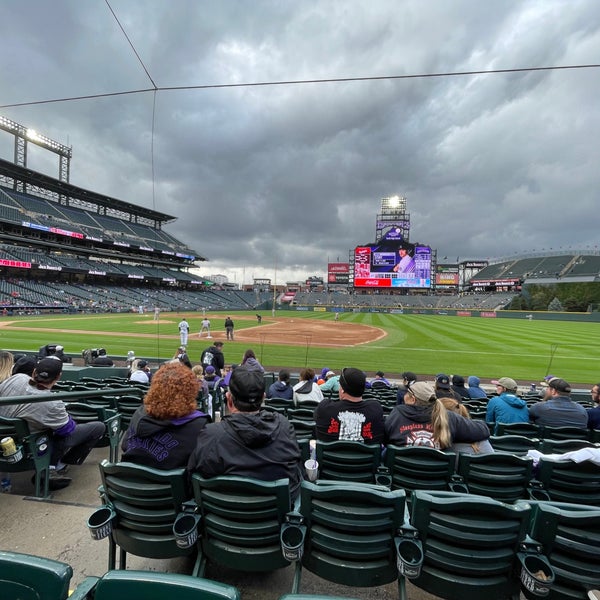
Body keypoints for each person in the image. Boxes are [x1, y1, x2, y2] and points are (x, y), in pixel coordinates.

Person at [187, 366, 302, 500]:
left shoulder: (211, 435)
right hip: (273, 518)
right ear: (263, 399)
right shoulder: (284, 427)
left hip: (221, 516)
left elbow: (193, 481)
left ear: (229, 400)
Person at [0, 358, 105, 490]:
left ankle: (53, 466)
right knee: (98, 427)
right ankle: (56, 466)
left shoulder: (16, 378)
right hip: (31, 444)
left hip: (6, 437)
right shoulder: (52, 403)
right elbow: (67, 431)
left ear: (34, 372)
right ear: (58, 377)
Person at [122, 362, 209, 470]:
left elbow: (125, 446)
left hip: (126, 482)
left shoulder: (139, 413)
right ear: (190, 392)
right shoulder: (199, 425)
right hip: (172, 485)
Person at [385, 381, 490, 448]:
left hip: (401, 476)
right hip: (436, 478)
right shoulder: (449, 417)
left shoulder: (397, 414)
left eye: (407, 393)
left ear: (413, 399)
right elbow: (483, 430)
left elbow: (384, 439)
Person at [314, 367, 385, 443]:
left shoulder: (325, 408)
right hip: (363, 454)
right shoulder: (375, 409)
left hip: (327, 454)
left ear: (342, 389)